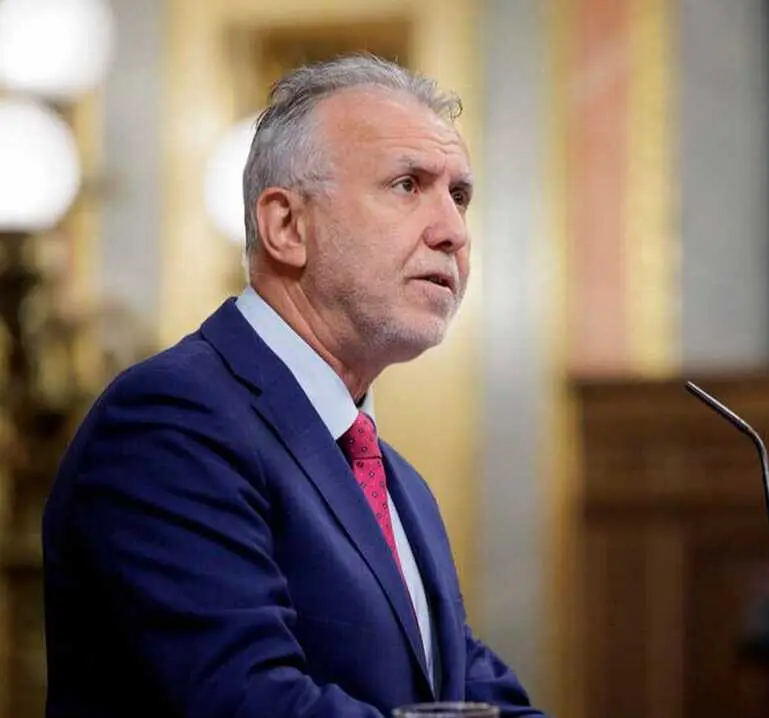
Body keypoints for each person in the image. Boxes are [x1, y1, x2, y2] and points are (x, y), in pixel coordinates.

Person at [43, 55, 544, 717]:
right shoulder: (171, 423)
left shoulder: (401, 486)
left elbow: (473, 697)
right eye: (406, 184)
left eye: (459, 195)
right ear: (286, 226)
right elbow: (248, 702)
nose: (452, 231)